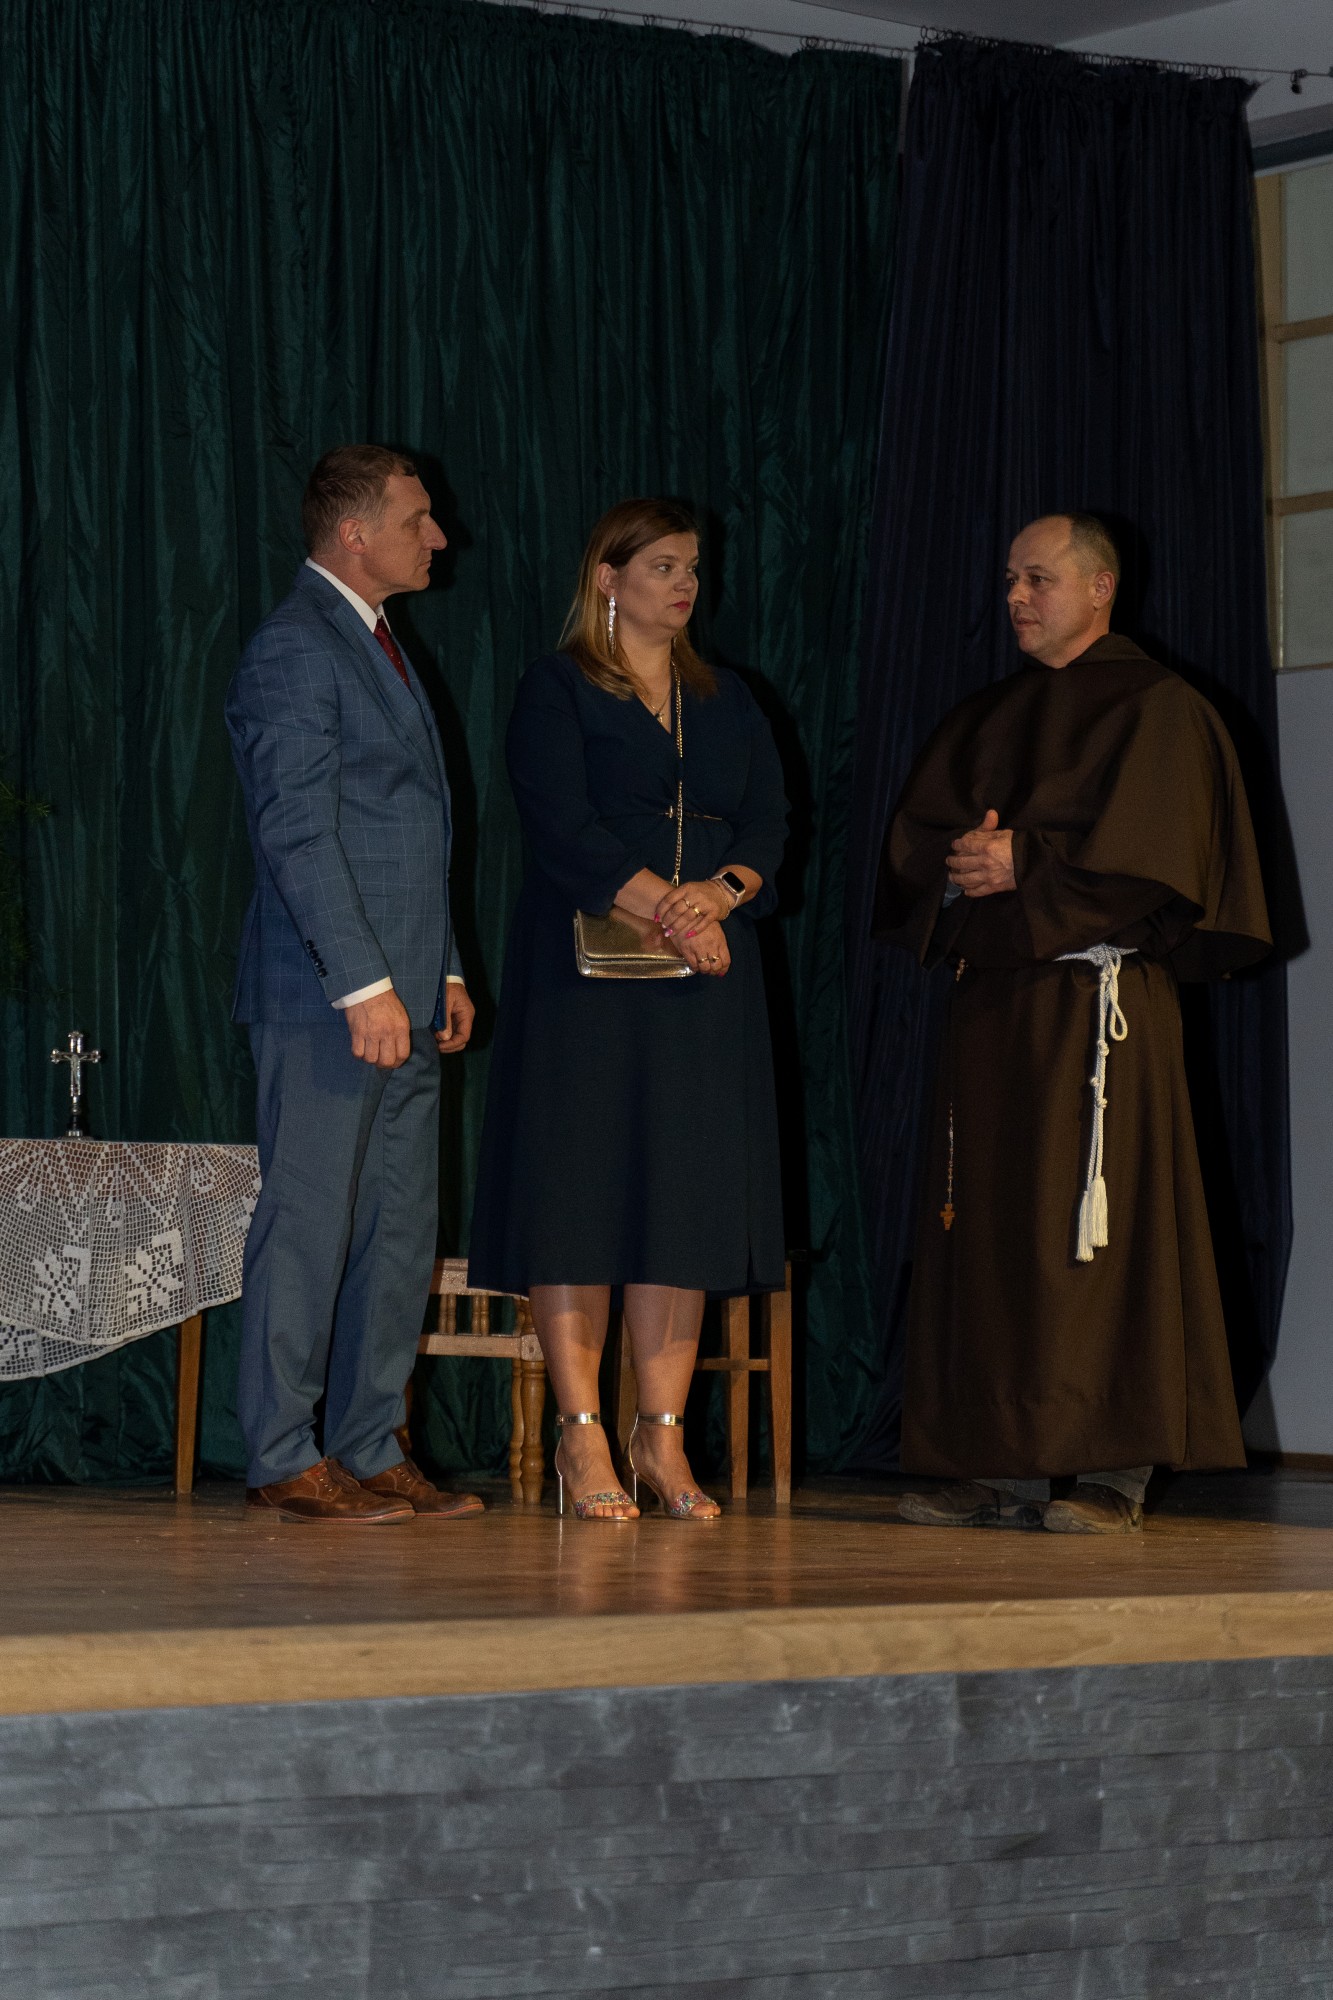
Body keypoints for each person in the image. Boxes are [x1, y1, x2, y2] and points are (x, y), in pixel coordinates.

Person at [874, 513, 1270, 1535]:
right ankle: (994, 1461)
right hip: (992, 1011)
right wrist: (959, 866)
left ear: (1100, 588)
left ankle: (1113, 1470)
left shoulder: (1159, 710)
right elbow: (914, 848)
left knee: (1099, 1232)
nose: (1015, 596)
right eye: (1009, 578)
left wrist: (1026, 863)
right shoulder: (983, 716)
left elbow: (1158, 860)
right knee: (988, 1234)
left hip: (1101, 1012)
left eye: (1037, 578)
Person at [469, 498, 788, 1520]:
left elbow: (772, 821)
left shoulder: (728, 695)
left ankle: (661, 1438)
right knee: (580, 1199)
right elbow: (560, 828)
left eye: (691, 566)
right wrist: (670, 912)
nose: (685, 583)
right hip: (584, 983)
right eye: (661, 566)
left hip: (704, 985)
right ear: (607, 578)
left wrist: (721, 896)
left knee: (681, 1202)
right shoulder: (556, 686)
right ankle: (581, 1436)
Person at [226, 444, 482, 1524]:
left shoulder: (377, 640)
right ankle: (282, 1453)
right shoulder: (295, 645)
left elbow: (409, 831)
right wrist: (364, 984)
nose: (438, 536)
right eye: (418, 519)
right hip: (329, 999)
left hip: (406, 992)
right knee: (309, 1223)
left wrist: (445, 965)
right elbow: (296, 830)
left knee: (397, 1229)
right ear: (353, 533)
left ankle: (370, 1444)